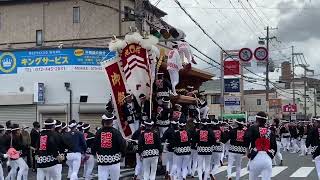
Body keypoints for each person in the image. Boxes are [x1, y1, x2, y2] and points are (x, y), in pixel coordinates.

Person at [93, 113, 127, 180]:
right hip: (114, 161)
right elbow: (122, 144)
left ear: (103, 121)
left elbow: (94, 145)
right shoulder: (116, 132)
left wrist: (95, 154)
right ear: (112, 121)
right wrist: (123, 155)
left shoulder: (98, 132)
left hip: (102, 161)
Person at [245, 112, 277, 180]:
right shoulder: (270, 131)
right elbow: (274, 146)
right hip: (267, 158)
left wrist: (248, 152)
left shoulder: (253, 128)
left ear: (256, 119)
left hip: (255, 156)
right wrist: (270, 155)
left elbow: (246, 138)